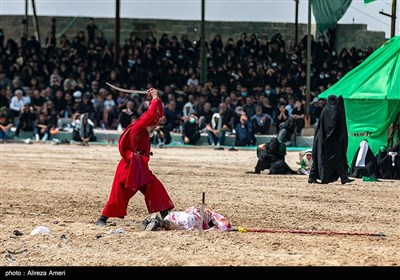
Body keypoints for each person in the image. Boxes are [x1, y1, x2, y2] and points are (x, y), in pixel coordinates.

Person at [95, 88, 174, 229]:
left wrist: (157, 99)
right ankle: (102, 218)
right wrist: (154, 98)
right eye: (154, 124)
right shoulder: (138, 127)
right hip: (128, 169)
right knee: (119, 195)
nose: (156, 126)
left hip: (140, 168)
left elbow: (157, 114)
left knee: (154, 187)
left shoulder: (145, 130)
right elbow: (150, 113)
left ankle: (165, 216)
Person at [308, 95, 354, 184]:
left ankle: (343, 178)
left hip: (321, 139)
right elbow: (332, 125)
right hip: (329, 140)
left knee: (321, 157)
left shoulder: (325, 109)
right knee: (334, 158)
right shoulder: (333, 110)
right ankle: (341, 177)